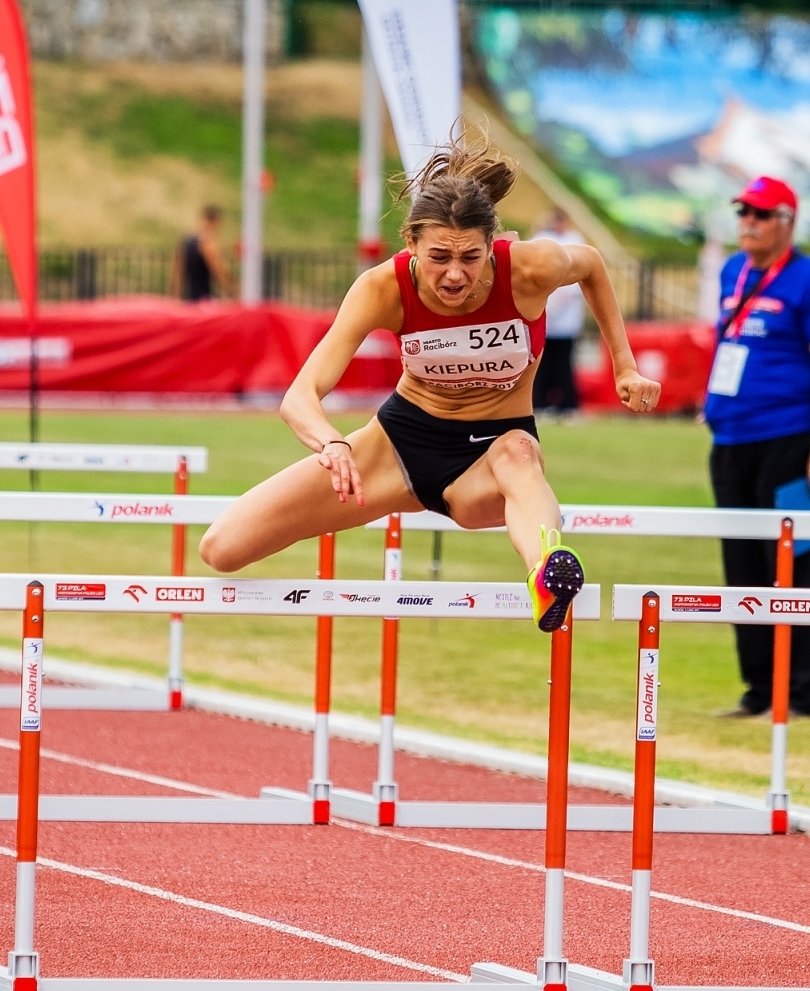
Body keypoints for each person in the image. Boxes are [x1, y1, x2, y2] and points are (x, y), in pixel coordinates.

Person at [199, 137, 661, 631]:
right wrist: (331, 442)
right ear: (411, 243)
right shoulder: (383, 287)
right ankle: (539, 563)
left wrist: (624, 365)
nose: (456, 275)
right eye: (440, 256)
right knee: (222, 548)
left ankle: (546, 573)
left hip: (491, 454)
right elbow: (300, 395)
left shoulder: (528, 268)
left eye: (470, 257)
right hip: (398, 445)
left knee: (520, 457)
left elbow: (590, 262)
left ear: (492, 245)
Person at [707, 176, 810, 718]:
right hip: (731, 438)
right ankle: (758, 690)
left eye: (761, 214)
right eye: (744, 212)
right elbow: (727, 341)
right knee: (741, 566)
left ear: (787, 221)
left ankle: (801, 692)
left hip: (790, 439)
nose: (749, 222)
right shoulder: (731, 270)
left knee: (795, 567)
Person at [530, 208, 586, 418]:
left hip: (565, 319)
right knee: (541, 364)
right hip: (543, 314)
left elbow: (574, 285)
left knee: (564, 364)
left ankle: (568, 405)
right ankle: (541, 403)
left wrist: (553, 309)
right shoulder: (541, 239)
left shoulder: (574, 240)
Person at [174, 205, 232, 301]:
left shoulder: (186, 241)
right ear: (214, 222)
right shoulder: (208, 244)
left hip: (187, 299)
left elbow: (177, 274)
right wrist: (234, 292)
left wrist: (176, 297)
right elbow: (220, 274)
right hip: (203, 300)